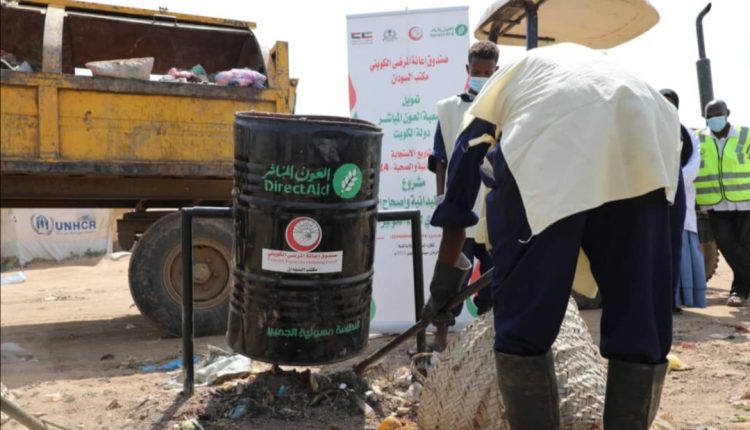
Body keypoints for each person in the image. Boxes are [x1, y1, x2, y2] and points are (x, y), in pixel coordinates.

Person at [422, 43, 685, 428]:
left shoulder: (490, 101)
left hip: (551, 146)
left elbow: (457, 210)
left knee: (524, 323)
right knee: (641, 318)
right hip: (650, 135)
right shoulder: (568, 76)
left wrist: (442, 291)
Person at [427, 40, 499, 351]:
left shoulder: (501, 108)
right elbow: (440, 157)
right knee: (452, 276)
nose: (481, 76)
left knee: (494, 277)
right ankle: (440, 336)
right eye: (477, 71)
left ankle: (490, 340)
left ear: (497, 71)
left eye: (488, 72)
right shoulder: (449, 109)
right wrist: (441, 196)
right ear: (467, 69)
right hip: (460, 207)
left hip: (493, 207)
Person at [695, 100, 750, 307]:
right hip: (715, 203)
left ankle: (739, 292)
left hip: (745, 201)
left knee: (745, 247)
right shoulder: (699, 138)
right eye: (709, 116)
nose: (714, 118)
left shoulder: (745, 135)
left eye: (717, 114)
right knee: (728, 246)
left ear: (727, 113)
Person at [661, 89, 707, 310]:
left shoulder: (687, 134)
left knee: (680, 249)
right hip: (656, 197)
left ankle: (679, 299)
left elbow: (694, 164)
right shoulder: (652, 128)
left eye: (672, 103)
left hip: (681, 197)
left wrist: (674, 183)